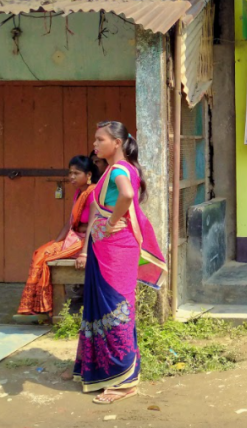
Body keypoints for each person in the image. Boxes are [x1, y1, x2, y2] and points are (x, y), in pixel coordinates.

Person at [71, 121, 166, 404]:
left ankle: (125, 381)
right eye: (95, 139)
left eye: (101, 139)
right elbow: (97, 212)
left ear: (118, 143)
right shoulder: (111, 171)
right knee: (100, 305)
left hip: (116, 248)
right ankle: (95, 367)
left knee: (116, 307)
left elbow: (125, 196)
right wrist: (88, 248)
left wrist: (113, 221)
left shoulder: (121, 170)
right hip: (103, 248)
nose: (95, 144)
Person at [14, 155, 102, 320]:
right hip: (75, 237)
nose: (72, 177)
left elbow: (92, 225)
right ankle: (34, 306)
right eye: (70, 173)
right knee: (41, 252)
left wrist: (84, 253)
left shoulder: (93, 192)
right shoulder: (78, 193)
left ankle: (43, 306)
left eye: (76, 173)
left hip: (88, 241)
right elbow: (70, 222)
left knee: (46, 257)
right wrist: (55, 243)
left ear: (88, 175)